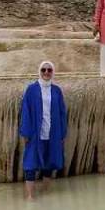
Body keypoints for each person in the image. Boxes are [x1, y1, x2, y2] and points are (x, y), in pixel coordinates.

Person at [19, 61, 68, 200]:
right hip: (35, 133)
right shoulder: (31, 89)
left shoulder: (56, 90)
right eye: (43, 70)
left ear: (53, 72)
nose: (46, 72)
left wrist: (63, 132)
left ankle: (45, 193)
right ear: (39, 71)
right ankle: (29, 196)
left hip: (52, 133)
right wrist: (26, 132)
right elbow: (26, 111)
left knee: (50, 163)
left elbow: (62, 112)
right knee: (30, 164)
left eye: (49, 70)